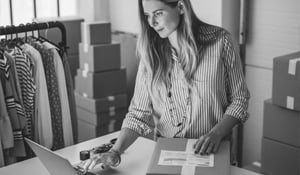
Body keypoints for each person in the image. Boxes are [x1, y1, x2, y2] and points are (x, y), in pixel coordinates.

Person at [83, 0, 250, 171]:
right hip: (168, 155)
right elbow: (138, 114)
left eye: (158, 13)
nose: (152, 23)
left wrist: (216, 134)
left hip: (213, 152)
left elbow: (239, 99)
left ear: (180, 7)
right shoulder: (150, 53)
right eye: (147, 16)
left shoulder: (221, 41)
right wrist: (115, 151)